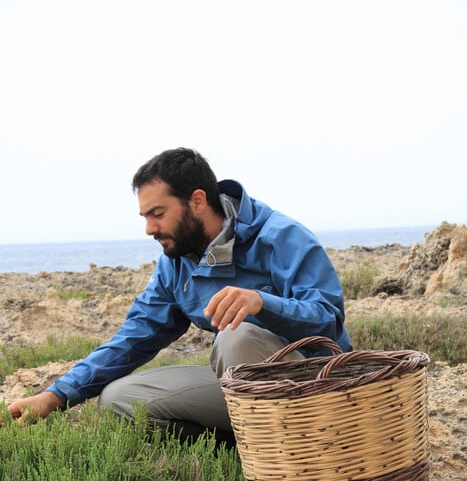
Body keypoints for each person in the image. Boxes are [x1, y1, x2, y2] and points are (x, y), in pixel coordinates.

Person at [7, 148, 352, 440]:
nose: (149, 229)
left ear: (197, 201)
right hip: (246, 395)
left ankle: (296, 452)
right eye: (145, 217)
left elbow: (328, 319)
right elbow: (133, 338)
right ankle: (242, 446)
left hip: (316, 387)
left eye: (158, 214)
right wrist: (55, 395)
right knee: (118, 399)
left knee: (236, 337)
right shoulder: (175, 263)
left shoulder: (280, 237)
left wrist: (262, 303)